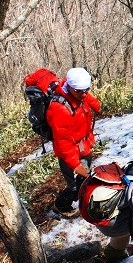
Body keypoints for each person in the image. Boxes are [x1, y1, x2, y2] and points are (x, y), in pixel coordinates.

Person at [46, 67, 101, 218]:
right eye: (80, 91)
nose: (84, 94)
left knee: (86, 178)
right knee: (75, 187)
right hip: (70, 153)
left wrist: (95, 105)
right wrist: (76, 165)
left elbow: (92, 102)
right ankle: (61, 206)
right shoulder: (60, 109)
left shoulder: (79, 94)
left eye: (86, 90)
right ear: (69, 87)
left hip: (83, 146)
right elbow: (63, 143)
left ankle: (87, 200)